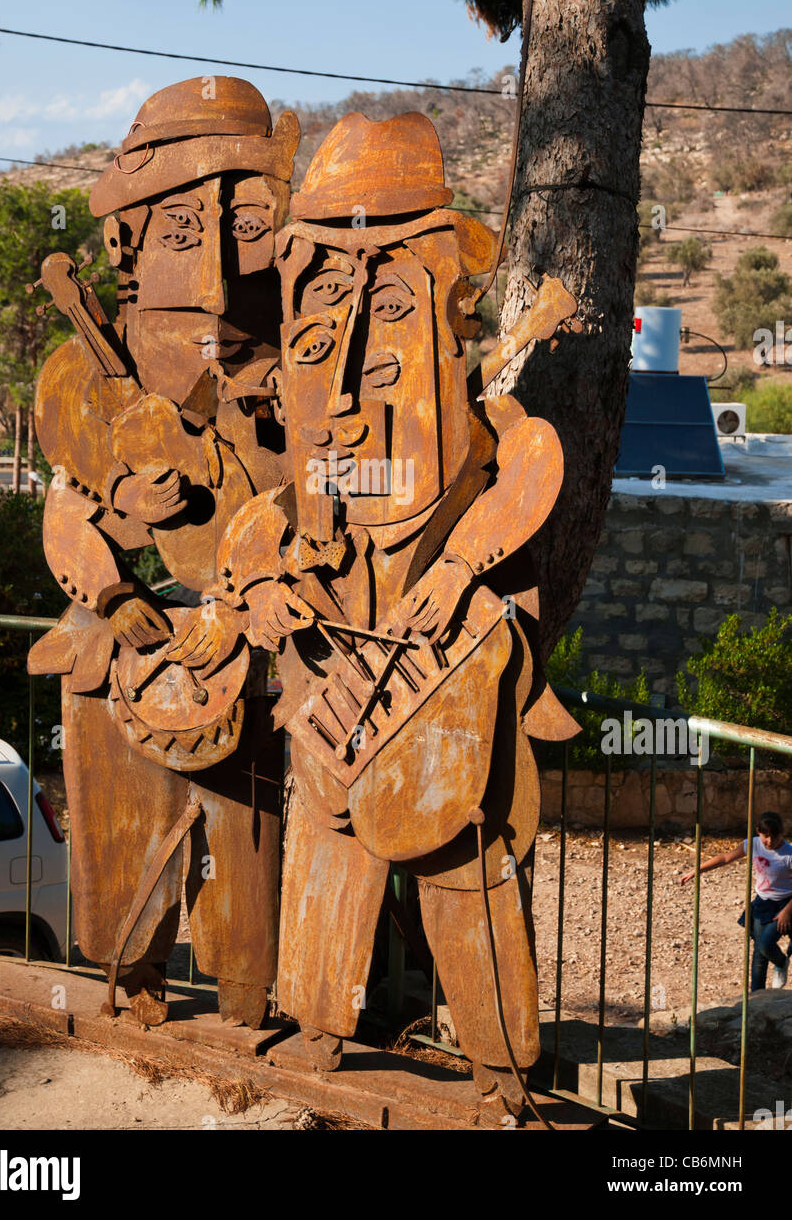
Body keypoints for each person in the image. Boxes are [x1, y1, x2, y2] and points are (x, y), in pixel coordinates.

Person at [210, 110, 579, 1119]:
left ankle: (501, 1071)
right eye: (328, 289)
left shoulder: (473, 410)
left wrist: (462, 564)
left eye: (391, 286)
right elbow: (257, 524)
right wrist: (267, 587)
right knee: (328, 843)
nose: (364, 331)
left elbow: (531, 459)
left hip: (448, 678)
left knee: (464, 855)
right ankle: (318, 1031)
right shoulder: (314, 408)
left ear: (440, 291)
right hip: (336, 666)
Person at [28, 76, 299, 1025]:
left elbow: (320, 509)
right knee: (120, 817)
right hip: (125, 643)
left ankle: (246, 990)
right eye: (185, 235)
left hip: (247, 639)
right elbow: (65, 509)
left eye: (244, 227)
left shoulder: (301, 375)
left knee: (245, 830)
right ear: (130, 240)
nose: (218, 274)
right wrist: (112, 567)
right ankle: (130, 974)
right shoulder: (80, 379)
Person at [680, 811, 792, 990]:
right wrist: (697, 870)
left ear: (782, 832)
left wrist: (787, 912)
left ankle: (781, 962)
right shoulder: (754, 844)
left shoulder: (789, 854)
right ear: (758, 832)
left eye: (775, 836)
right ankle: (756, 997)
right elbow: (725, 858)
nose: (770, 841)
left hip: (785, 904)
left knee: (765, 944)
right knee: (758, 954)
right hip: (762, 903)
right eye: (766, 836)